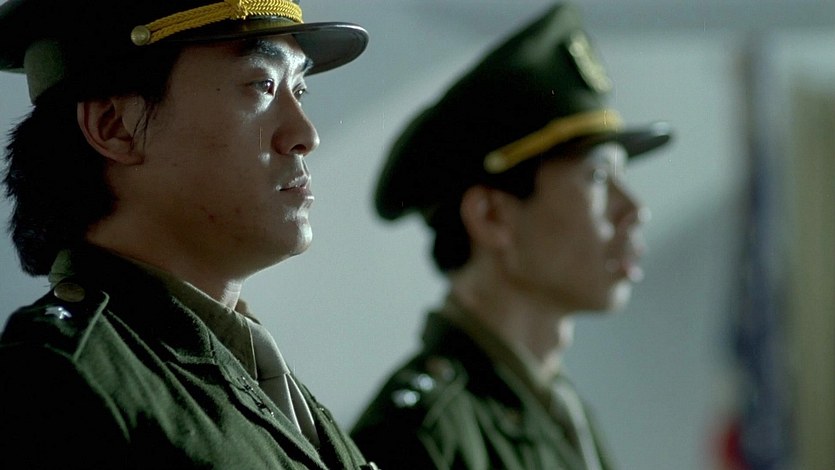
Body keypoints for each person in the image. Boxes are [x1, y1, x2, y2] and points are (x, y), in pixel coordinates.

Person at [0, 0, 379, 468]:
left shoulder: (255, 374)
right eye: (262, 85)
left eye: (298, 89)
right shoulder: (60, 383)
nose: (306, 134)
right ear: (114, 127)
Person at [350, 3, 672, 469]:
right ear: (491, 217)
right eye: (598, 178)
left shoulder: (558, 407)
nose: (634, 209)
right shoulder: (421, 437)